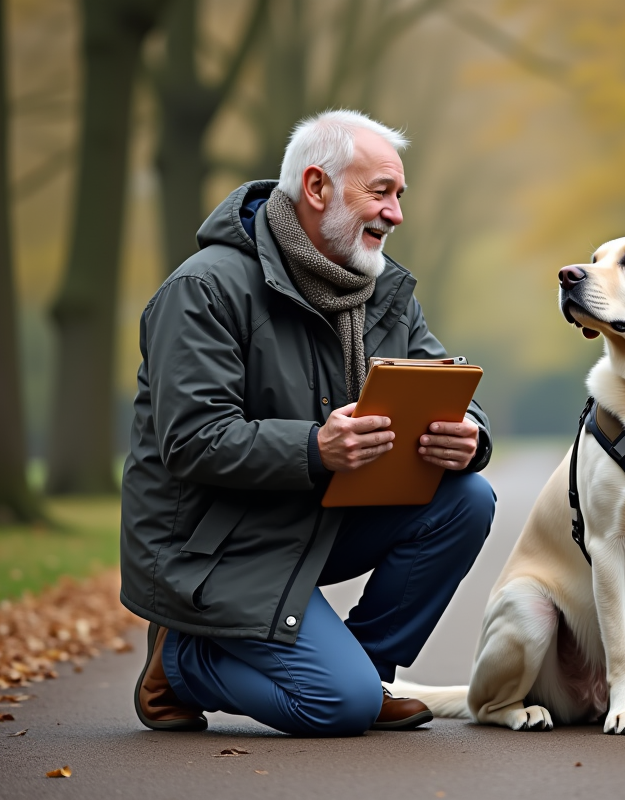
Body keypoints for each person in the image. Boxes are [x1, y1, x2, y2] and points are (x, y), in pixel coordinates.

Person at [120, 110, 495, 737]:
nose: (396, 213)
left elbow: (438, 376)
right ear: (317, 188)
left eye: (399, 196)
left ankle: (365, 670)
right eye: (380, 192)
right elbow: (191, 441)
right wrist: (318, 447)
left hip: (309, 512)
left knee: (466, 498)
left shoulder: (381, 290)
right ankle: (181, 662)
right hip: (211, 544)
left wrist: (469, 435)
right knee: (336, 708)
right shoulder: (203, 289)